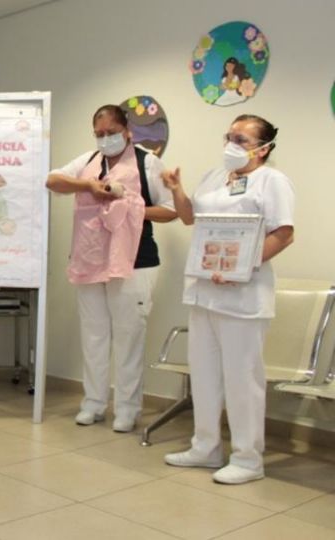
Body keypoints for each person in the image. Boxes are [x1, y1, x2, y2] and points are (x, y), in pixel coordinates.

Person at [162, 114, 294, 485]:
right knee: (203, 374)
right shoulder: (214, 176)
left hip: (243, 294)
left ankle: (248, 458)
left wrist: (243, 265)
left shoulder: (272, 181)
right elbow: (190, 219)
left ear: (263, 148)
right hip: (205, 289)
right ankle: (206, 447)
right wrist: (176, 189)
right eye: (229, 136)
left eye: (242, 138)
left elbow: (283, 233)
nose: (232, 144)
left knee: (242, 379)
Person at [46, 104, 176, 433]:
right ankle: (93, 402)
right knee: (94, 335)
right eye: (99, 134)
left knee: (128, 336)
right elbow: (53, 180)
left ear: (127, 131)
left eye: (111, 133)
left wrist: (129, 207)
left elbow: (170, 210)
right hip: (91, 260)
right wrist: (87, 187)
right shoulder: (89, 162)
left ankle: (128, 407)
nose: (105, 139)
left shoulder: (148, 162)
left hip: (135, 261)